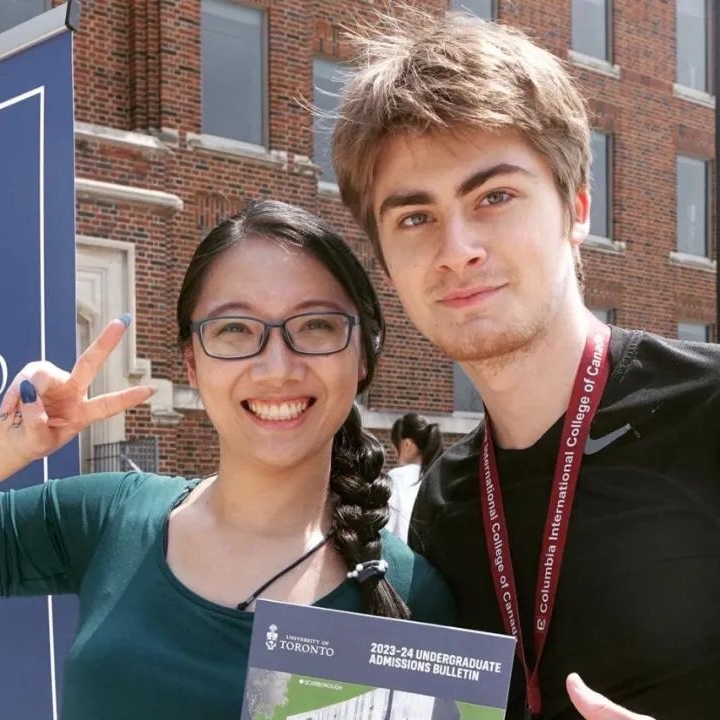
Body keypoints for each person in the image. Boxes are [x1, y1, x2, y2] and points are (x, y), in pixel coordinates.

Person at [331, 7, 718, 719]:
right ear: (385, 262)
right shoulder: (443, 506)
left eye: (495, 197)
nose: (457, 249)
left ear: (577, 208)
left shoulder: (708, 411)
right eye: (415, 217)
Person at [0, 200, 456, 719]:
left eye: (316, 325)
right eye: (234, 329)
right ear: (192, 364)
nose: (276, 368)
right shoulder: (110, 517)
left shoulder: (411, 593)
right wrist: (8, 447)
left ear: (362, 357)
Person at [386, 412, 443, 541]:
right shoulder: (441, 477)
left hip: (404, 552)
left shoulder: (397, 478)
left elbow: (385, 531)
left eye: (395, 445)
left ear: (407, 445)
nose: (394, 452)